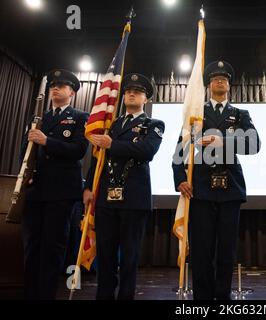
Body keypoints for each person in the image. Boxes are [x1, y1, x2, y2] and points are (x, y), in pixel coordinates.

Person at [172, 60, 261, 300]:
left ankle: (222, 298)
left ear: (229, 86)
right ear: (209, 84)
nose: (219, 80)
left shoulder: (240, 114)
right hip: (200, 188)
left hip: (230, 188)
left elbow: (254, 145)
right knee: (201, 251)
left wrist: (224, 141)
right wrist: (180, 178)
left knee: (226, 251)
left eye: (224, 78)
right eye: (214, 78)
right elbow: (180, 150)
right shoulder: (196, 113)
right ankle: (202, 300)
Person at [83, 73, 165, 300]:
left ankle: (126, 296)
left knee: (129, 256)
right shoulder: (110, 124)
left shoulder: (153, 124)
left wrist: (113, 144)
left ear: (145, 99)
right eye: (128, 91)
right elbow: (98, 159)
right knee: (105, 254)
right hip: (105, 197)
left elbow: (147, 151)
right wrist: (89, 187)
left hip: (134, 197)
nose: (131, 94)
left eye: (137, 91)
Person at [22, 69, 89, 299]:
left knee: (53, 248)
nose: (55, 88)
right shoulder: (39, 117)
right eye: (53, 85)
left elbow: (79, 150)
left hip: (61, 192)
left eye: (61, 85)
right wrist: (27, 175)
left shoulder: (80, 117)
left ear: (71, 92)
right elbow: (28, 150)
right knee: (32, 246)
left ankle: (46, 294)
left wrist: (47, 141)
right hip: (36, 190)